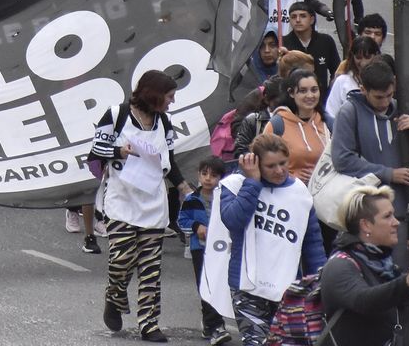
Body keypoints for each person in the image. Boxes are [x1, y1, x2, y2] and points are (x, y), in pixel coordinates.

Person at [93, 69, 189, 343]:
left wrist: (184, 187)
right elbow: (95, 151)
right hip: (121, 201)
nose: (172, 102)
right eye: (169, 96)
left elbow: (170, 160)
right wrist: (119, 151)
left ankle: (149, 323)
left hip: (153, 203)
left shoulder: (164, 123)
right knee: (121, 260)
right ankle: (114, 295)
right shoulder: (117, 115)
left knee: (150, 268)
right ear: (154, 94)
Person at [214, 136, 326, 346]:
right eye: (271, 166)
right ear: (256, 163)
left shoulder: (300, 192)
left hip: (287, 287)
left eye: (283, 163)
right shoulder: (235, 184)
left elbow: (312, 243)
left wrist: (320, 283)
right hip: (247, 285)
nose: (279, 170)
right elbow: (233, 221)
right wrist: (252, 182)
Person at [332, 61, 409, 264]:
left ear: (394, 84)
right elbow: (342, 159)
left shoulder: (404, 108)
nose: (385, 102)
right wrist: (388, 173)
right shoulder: (349, 112)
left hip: (407, 211)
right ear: (363, 89)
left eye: (389, 95)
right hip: (369, 215)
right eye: (378, 97)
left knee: (404, 274)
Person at [319, 185, 409, 346]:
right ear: (366, 225)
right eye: (387, 216)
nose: (396, 223)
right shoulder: (339, 265)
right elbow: (363, 300)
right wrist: (406, 283)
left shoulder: (386, 267)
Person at [178, 156, 231, 346]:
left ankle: (212, 324)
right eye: (204, 173)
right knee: (205, 285)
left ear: (221, 178)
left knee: (217, 285)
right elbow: (182, 220)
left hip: (221, 250)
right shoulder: (192, 199)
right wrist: (196, 227)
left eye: (214, 175)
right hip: (199, 249)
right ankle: (214, 325)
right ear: (198, 175)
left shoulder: (225, 198)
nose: (208, 178)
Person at [269, 68, 332, 186]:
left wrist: (320, 175)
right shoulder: (277, 124)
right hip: (288, 190)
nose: (310, 95)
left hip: (325, 190)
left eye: (314, 90)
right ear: (291, 93)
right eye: (303, 91)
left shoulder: (329, 123)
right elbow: (265, 163)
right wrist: (288, 177)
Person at [324, 20, 382, 122]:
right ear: (352, 57)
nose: (363, 63)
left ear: (376, 56)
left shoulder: (383, 78)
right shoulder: (342, 81)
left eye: (367, 57)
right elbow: (331, 113)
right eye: (358, 58)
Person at [281, 1, 341, 95]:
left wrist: (331, 92)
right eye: (293, 17)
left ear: (312, 19)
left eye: (303, 16)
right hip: (293, 97)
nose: (298, 20)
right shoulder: (283, 43)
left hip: (322, 98)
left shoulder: (326, 41)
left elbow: (337, 70)